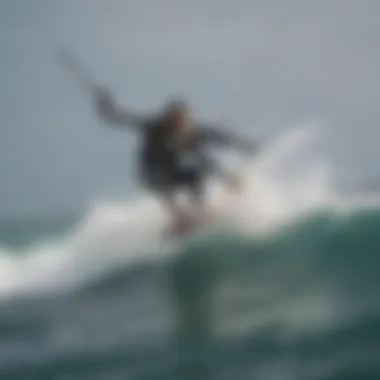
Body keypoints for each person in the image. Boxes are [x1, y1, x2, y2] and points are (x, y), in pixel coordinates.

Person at [93, 87, 258, 232]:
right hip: (151, 174)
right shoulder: (155, 126)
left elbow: (220, 137)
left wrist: (246, 146)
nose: (179, 123)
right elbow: (116, 117)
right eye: (175, 119)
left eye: (182, 119)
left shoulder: (190, 132)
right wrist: (104, 102)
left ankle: (201, 209)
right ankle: (178, 217)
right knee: (166, 183)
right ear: (168, 117)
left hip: (171, 172)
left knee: (198, 170)